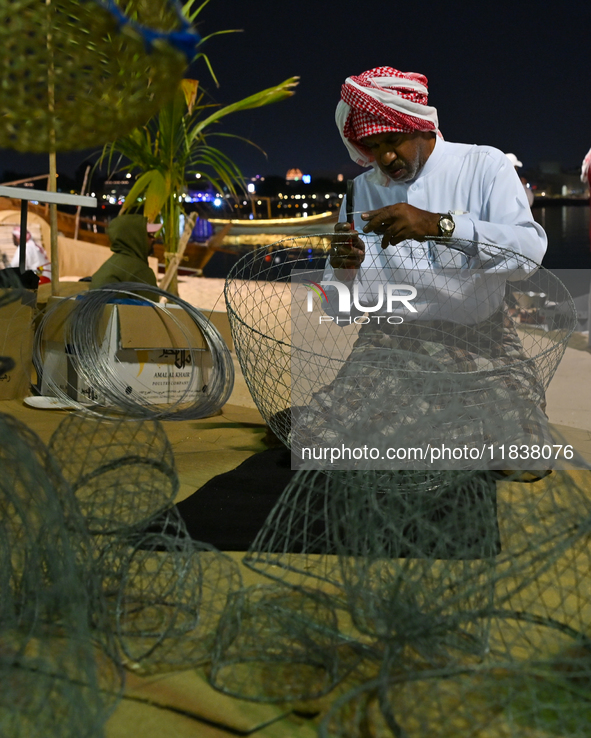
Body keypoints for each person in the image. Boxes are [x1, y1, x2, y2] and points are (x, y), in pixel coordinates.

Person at [295, 66, 551, 484]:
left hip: (479, 340)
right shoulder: (361, 191)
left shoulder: (484, 166)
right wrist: (343, 272)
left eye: (392, 141)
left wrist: (440, 226)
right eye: (373, 146)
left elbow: (529, 255)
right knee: (313, 444)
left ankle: (425, 428)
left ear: (420, 126)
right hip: (389, 341)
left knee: (526, 460)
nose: (384, 158)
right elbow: (340, 311)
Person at [90, 214, 160, 292]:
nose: (154, 239)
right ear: (136, 237)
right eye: (149, 235)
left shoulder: (109, 265)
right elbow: (152, 303)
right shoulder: (141, 272)